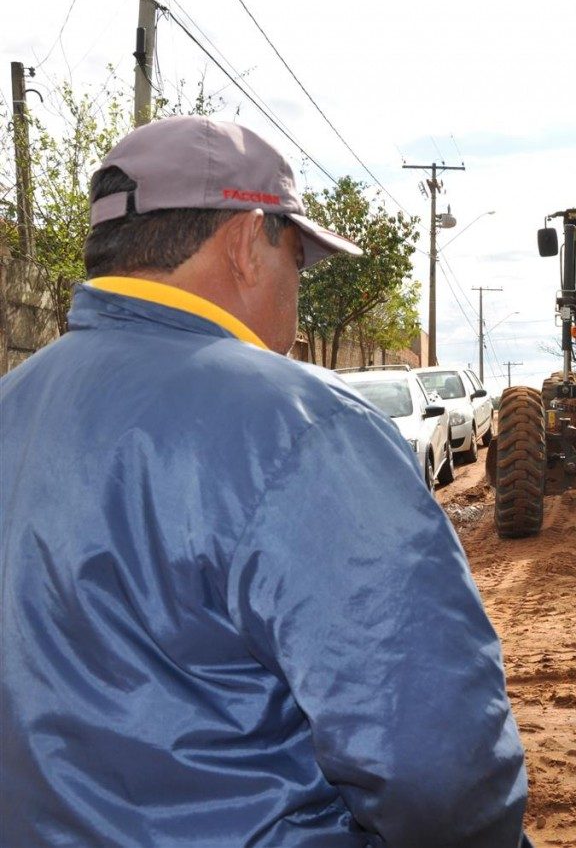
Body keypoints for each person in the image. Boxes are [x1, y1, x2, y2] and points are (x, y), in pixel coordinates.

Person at [0, 116, 532, 847]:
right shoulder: (303, 428)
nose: (298, 295)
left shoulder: (14, 406)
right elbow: (440, 772)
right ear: (249, 243)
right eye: (300, 263)